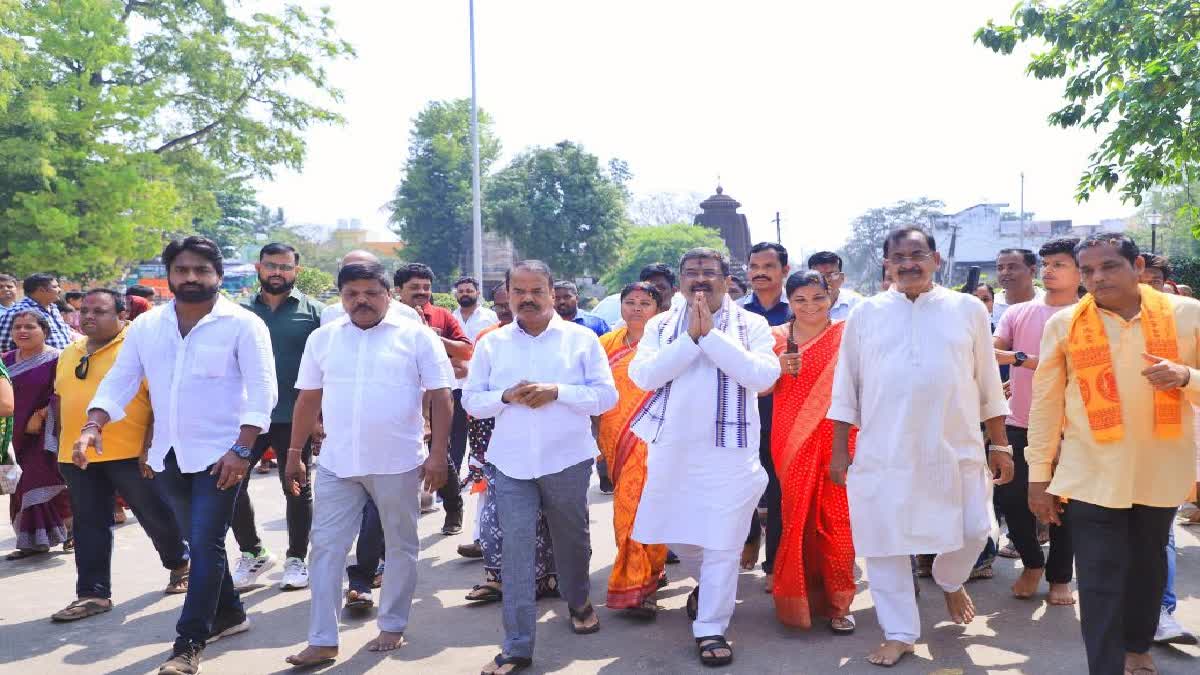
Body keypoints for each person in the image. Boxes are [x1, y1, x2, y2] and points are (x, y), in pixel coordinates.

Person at [77, 236, 277, 675]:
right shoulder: (148, 328)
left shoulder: (243, 324)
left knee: (204, 545)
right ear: (169, 276)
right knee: (202, 544)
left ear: (218, 276)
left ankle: (188, 643)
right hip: (169, 455)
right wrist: (93, 424)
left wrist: (243, 449)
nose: (191, 277)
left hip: (222, 456)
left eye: (201, 270)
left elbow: (264, 393)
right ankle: (230, 614)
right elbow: (121, 380)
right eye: (182, 270)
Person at [828, 227, 1014, 668]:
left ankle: (950, 581)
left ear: (935, 259)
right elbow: (846, 386)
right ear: (887, 263)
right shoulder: (865, 314)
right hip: (884, 449)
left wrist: (1002, 444)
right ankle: (900, 633)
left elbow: (988, 380)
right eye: (898, 256)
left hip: (956, 445)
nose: (908, 263)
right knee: (886, 542)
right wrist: (840, 450)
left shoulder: (967, 309)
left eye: (917, 254)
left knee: (974, 529)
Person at [1027, 233, 1200, 675]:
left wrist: (1185, 376)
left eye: (1108, 266)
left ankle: (1138, 646)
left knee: (1146, 572)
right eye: (1087, 270)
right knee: (1100, 582)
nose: (1096, 278)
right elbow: (1046, 403)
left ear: (1138, 266)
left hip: (1160, 469)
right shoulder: (1065, 324)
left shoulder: (1188, 315)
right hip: (1091, 473)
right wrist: (1038, 476)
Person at [283, 262, 453, 667]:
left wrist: (438, 454)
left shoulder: (416, 337)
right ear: (340, 298)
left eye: (370, 293)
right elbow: (308, 398)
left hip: (397, 462)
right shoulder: (323, 339)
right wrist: (294, 454)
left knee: (400, 546)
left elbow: (442, 396)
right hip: (339, 464)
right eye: (351, 294)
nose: (361, 301)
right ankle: (322, 639)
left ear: (388, 295)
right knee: (324, 549)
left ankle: (392, 625)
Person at [464, 260, 618, 675]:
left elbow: (606, 397)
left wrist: (558, 392)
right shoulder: (492, 344)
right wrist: (505, 397)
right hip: (510, 463)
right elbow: (471, 401)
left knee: (572, 539)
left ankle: (579, 600)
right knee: (516, 548)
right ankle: (516, 645)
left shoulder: (581, 339)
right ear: (507, 296)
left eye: (536, 291)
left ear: (553, 293)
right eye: (519, 292)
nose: (527, 299)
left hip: (566, 459)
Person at [629, 247, 780, 667]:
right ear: (679, 282)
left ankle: (711, 626)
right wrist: (691, 339)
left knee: (724, 542)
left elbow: (762, 376)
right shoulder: (661, 324)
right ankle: (711, 586)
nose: (700, 280)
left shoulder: (751, 324)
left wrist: (712, 337)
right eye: (691, 273)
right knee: (676, 533)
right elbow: (644, 375)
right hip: (672, 450)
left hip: (731, 456)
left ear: (726, 280)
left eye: (709, 273)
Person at [51, 289, 190, 622]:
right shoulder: (70, 351)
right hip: (79, 455)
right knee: (88, 524)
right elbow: (61, 399)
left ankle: (180, 565)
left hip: (130, 453)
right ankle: (93, 594)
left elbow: (159, 402)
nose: (88, 317)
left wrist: (149, 447)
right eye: (84, 310)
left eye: (98, 311)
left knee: (155, 515)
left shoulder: (138, 348)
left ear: (122, 315)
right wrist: (61, 444)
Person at [990, 238, 1082, 605]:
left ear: (1080, 271)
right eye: (1046, 263)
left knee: (1068, 506)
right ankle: (1032, 563)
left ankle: (1060, 578)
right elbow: (990, 350)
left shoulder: (1088, 315)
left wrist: (1029, 363)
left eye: (1059, 264)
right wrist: (1026, 359)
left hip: (1074, 427)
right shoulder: (1019, 312)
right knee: (1010, 497)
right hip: (1020, 420)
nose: (1049, 270)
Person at [227, 243, 324, 591]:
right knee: (230, 483)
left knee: (296, 487)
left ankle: (297, 558)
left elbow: (326, 368)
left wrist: (318, 416)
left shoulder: (315, 312)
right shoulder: (236, 313)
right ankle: (253, 552)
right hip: (249, 416)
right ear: (258, 267)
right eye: (271, 266)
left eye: (285, 267)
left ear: (296, 271)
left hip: (295, 415)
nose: (278, 273)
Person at [769, 271, 857, 632]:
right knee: (796, 517)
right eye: (800, 300)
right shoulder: (773, 338)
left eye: (818, 298)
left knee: (838, 520)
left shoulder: (847, 335)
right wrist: (776, 368)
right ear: (789, 302)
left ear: (831, 297)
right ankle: (797, 598)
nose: (810, 307)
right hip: (791, 441)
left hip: (840, 437)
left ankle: (839, 603)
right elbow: (756, 387)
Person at [597, 281, 669, 618]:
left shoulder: (667, 341)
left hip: (656, 438)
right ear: (621, 306)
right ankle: (644, 576)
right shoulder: (605, 344)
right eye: (630, 302)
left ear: (656, 308)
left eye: (645, 302)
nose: (637, 308)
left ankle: (643, 583)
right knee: (624, 510)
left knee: (650, 507)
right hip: (616, 438)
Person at [394, 263, 472, 535]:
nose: (422, 292)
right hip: (400, 398)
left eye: (426, 287)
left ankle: (453, 508)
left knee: (441, 455)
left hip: (437, 398)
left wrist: (437, 340)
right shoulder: (386, 318)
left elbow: (465, 352)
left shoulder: (440, 316)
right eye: (414, 287)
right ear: (398, 290)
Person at [738, 241, 791, 586]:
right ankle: (748, 539)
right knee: (742, 486)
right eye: (754, 266)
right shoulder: (736, 315)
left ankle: (776, 566)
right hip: (743, 414)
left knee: (781, 492)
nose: (760, 272)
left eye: (768, 266)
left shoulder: (799, 310)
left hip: (787, 414)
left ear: (784, 271)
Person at [4, 310, 72, 559]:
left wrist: (42, 415)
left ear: (44, 330)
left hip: (46, 433)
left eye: (30, 327)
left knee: (39, 479)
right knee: (18, 484)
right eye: (17, 327)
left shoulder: (58, 359)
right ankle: (32, 541)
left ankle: (70, 530)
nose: (22, 331)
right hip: (13, 433)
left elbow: (63, 392)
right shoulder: (6, 360)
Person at [451, 275, 499, 524]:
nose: (465, 293)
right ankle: (456, 478)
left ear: (478, 293)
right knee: (456, 435)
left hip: (483, 389)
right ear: (455, 294)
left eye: (469, 289)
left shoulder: (489, 319)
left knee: (480, 440)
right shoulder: (453, 317)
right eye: (461, 290)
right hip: (456, 384)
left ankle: (479, 476)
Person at [319, 250, 420, 326]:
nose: (357, 273)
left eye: (371, 293)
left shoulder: (408, 315)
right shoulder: (330, 314)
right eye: (349, 270)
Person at [0, 273, 74, 350]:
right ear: (41, 290)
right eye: (55, 287)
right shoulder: (17, 312)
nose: (59, 290)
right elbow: (4, 347)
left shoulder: (53, 309)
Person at [807, 251, 864, 321]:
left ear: (842, 277)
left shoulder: (857, 303)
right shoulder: (803, 305)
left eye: (832, 274)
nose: (826, 280)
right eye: (819, 276)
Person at [993, 248, 1044, 323]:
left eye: (1012, 267)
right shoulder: (990, 305)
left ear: (1032, 270)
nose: (1004, 272)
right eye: (1000, 268)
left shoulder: (1048, 303)